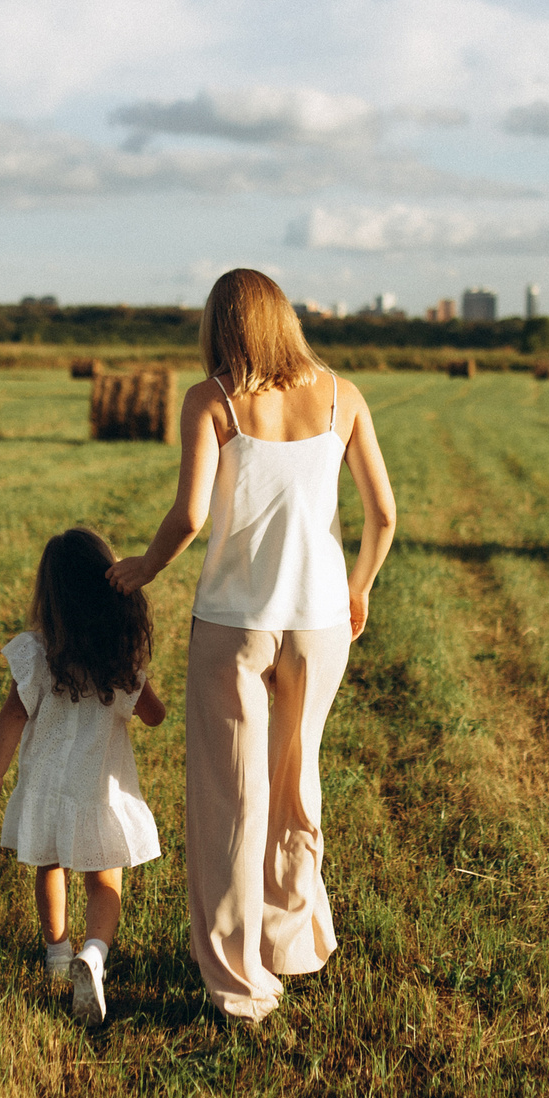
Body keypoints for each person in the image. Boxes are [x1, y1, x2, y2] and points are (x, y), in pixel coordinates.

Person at [109, 269, 398, 1025]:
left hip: (233, 622)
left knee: (228, 800)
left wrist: (145, 567)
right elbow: (384, 514)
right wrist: (359, 585)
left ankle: (240, 984)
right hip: (320, 623)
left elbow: (189, 515)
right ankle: (291, 944)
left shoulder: (211, 400)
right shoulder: (343, 397)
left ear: (220, 327)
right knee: (296, 780)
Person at [0, 526, 167, 1026]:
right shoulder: (118, 659)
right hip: (97, 790)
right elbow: (155, 716)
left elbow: (13, 715)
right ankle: (95, 954)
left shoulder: (37, 651)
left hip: (45, 787)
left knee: (50, 865)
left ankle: (58, 955)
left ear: (50, 594)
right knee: (104, 878)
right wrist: (139, 679)